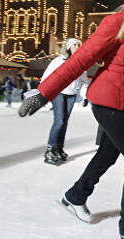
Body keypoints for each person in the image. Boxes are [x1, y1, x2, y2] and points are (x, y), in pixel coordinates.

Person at [18, 0, 124, 239]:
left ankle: (75, 196)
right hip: (107, 101)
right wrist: (43, 94)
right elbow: (80, 60)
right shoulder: (117, 22)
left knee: (109, 155)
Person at [41, 38, 88, 166]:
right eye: (75, 45)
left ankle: (59, 148)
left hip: (71, 95)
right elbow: (47, 76)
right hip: (59, 93)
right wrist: (44, 94)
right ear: (68, 47)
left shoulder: (81, 62)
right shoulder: (59, 60)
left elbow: (83, 81)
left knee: (64, 122)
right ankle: (50, 150)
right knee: (60, 121)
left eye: (79, 44)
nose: (78, 46)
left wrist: (84, 97)